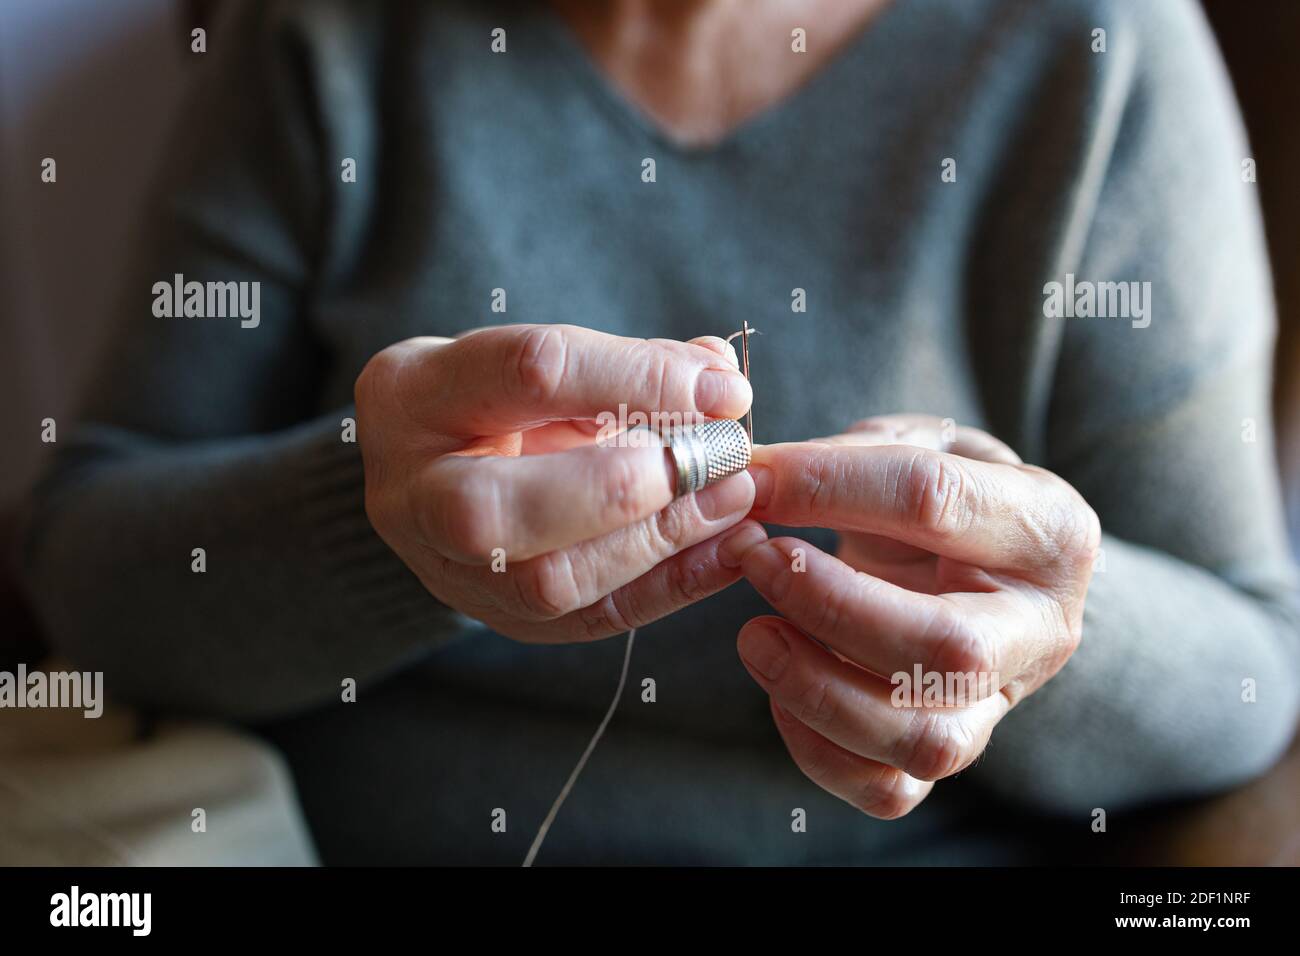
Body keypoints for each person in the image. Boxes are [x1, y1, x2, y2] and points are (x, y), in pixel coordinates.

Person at [20, 0, 1299, 864]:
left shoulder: (1095, 45)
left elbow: (1250, 663)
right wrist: (375, 516)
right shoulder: (328, 38)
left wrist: (1029, 628)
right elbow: (88, 576)